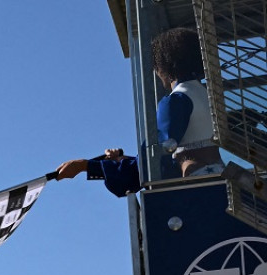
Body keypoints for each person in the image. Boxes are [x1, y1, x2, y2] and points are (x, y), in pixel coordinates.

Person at [55, 27, 223, 196]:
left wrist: (85, 166)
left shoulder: (177, 100)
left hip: (200, 190)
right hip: (219, 181)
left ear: (165, 64)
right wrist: (121, 162)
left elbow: (151, 161)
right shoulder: (206, 96)